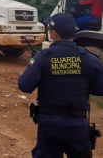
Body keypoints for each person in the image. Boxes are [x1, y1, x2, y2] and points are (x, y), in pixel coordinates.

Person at [18, 13, 103, 158]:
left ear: (53, 33)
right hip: (78, 126)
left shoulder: (42, 58)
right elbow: (99, 89)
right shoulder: (90, 58)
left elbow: (25, 85)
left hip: (49, 125)